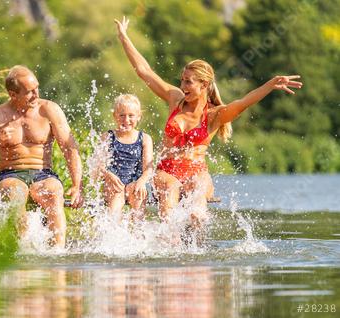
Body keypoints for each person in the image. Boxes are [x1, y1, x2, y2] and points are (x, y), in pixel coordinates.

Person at [115, 17, 302, 225]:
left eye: (188, 82)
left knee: (197, 210)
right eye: (182, 80)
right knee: (170, 194)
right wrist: (123, 37)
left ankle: (198, 250)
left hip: (196, 171)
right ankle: (170, 246)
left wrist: (270, 84)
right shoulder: (175, 98)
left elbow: (243, 103)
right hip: (166, 171)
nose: (183, 85)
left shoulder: (214, 115)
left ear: (204, 85)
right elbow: (145, 72)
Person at [0, 65, 84, 248]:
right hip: (10, 174)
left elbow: (69, 148)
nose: (36, 94)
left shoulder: (49, 110)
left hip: (44, 173)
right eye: (30, 92)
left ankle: (56, 255)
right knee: (15, 193)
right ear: (13, 94)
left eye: (37, 88)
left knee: (54, 192)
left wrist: (77, 185)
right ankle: (22, 254)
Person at [97, 94, 153, 221]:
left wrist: (141, 182)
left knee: (138, 198)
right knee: (115, 205)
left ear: (139, 117)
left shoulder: (144, 138)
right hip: (114, 182)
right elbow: (100, 165)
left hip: (135, 182)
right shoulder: (107, 137)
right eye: (122, 115)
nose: (126, 120)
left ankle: (138, 235)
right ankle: (114, 233)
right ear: (115, 116)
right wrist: (109, 175)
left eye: (131, 115)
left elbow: (148, 169)